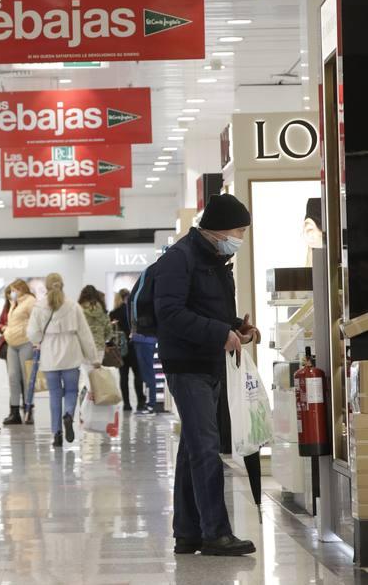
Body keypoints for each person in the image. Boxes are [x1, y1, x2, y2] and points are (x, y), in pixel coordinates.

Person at [154, 193, 260, 557]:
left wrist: (236, 328)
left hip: (208, 363)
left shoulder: (216, 258)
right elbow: (169, 313)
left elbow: (206, 309)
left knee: (192, 450)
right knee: (205, 449)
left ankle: (187, 532)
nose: (241, 238)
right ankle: (216, 532)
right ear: (219, 228)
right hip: (187, 365)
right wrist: (219, 334)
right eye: (239, 230)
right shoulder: (179, 259)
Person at [27, 272, 99, 448]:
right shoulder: (73, 307)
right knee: (71, 391)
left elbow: (32, 334)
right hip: (71, 353)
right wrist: (93, 358)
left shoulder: (39, 307)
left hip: (50, 355)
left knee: (55, 394)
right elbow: (84, 334)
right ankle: (68, 414)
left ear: (46, 286)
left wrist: (40, 338)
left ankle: (56, 433)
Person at [3, 279, 37, 426]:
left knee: (26, 377)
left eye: (14, 290)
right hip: (12, 344)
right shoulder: (14, 304)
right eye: (11, 290)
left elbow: (36, 321)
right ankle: (14, 411)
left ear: (21, 289)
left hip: (25, 343)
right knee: (12, 376)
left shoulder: (30, 301)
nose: (12, 293)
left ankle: (28, 410)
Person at [110, 289, 146, 413]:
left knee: (123, 376)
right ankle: (141, 402)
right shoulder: (131, 311)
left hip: (120, 349)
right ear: (127, 297)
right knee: (138, 374)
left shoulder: (113, 313)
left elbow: (110, 333)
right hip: (133, 346)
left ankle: (126, 404)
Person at [78, 285, 113, 362]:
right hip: (99, 346)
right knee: (96, 372)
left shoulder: (78, 309)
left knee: (84, 372)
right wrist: (103, 339)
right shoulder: (102, 310)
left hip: (82, 347)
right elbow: (109, 331)